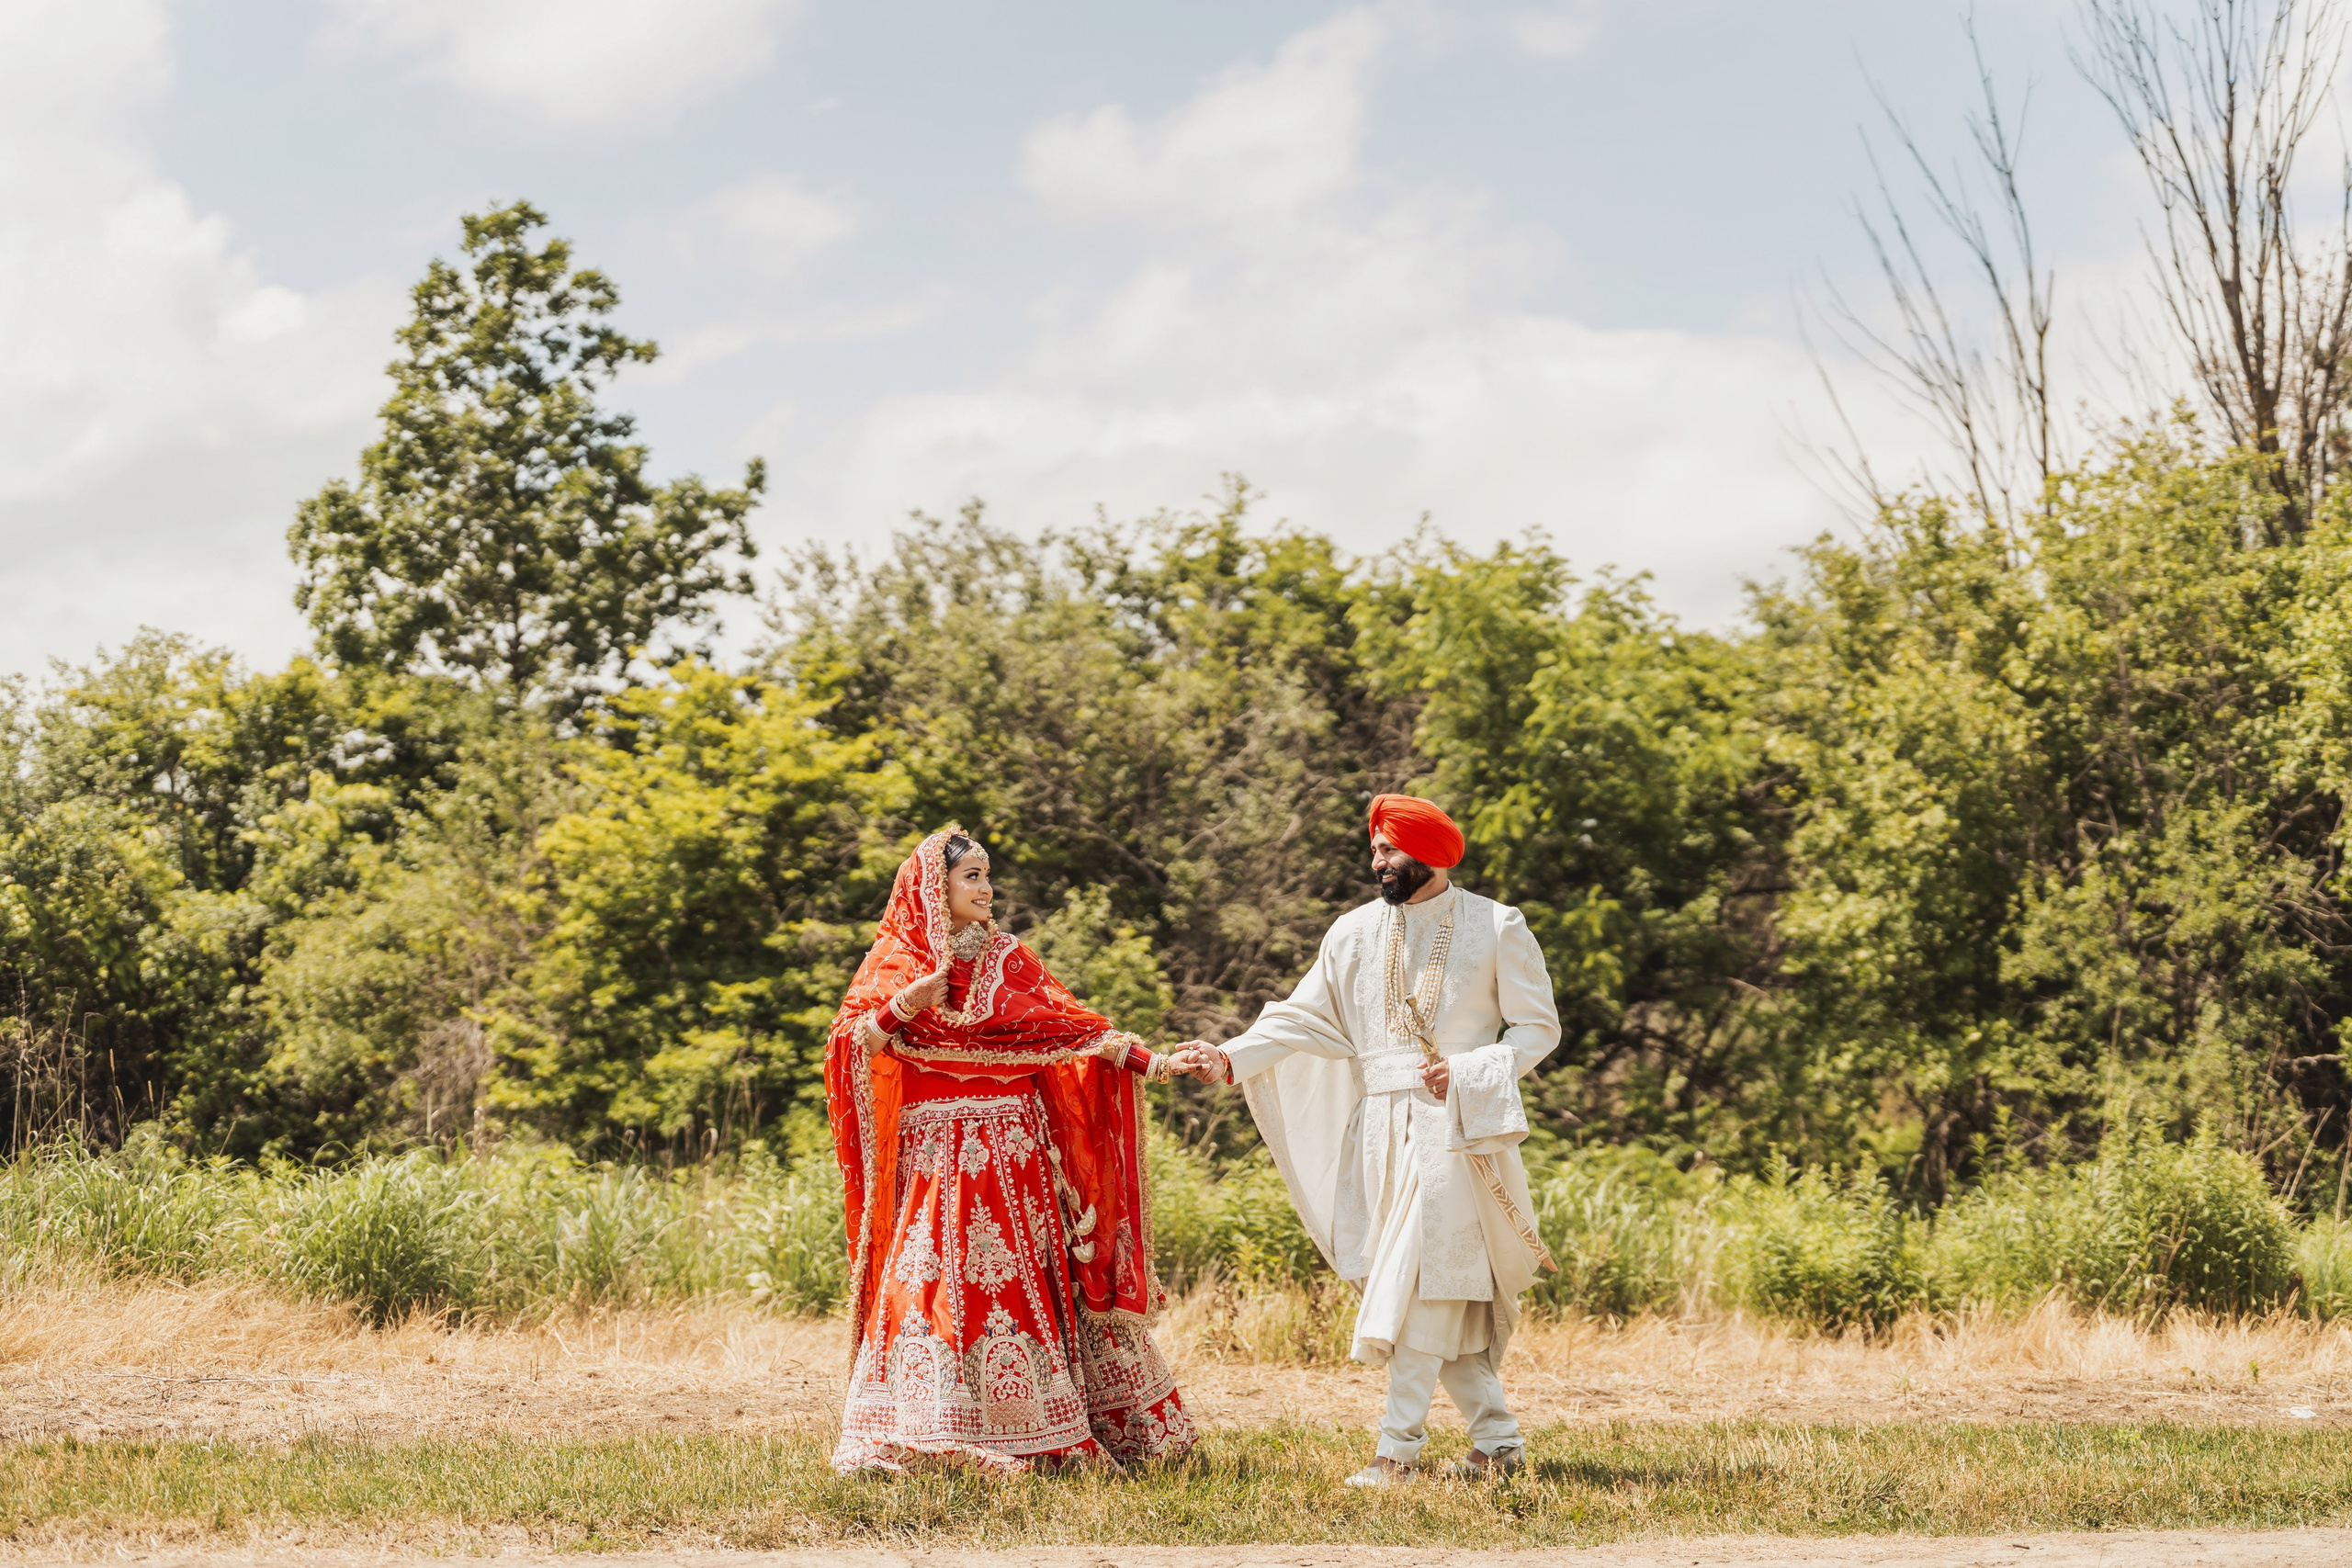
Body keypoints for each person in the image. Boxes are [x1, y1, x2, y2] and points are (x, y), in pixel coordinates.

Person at [1172, 795, 1561, 1486]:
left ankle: (1396, 1453)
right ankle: (1500, 1445)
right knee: (1426, 1289)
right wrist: (1228, 1056)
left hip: (1455, 1132)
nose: (1377, 861)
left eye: (1388, 849)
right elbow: (1300, 1020)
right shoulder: (1351, 932)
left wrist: (1472, 1069)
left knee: (1419, 1291)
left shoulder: (1497, 925)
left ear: (1430, 853)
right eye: (1375, 849)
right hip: (1378, 1133)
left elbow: (1538, 1028)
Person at [824, 825, 1202, 1474]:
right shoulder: (897, 960)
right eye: (972, 876)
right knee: (929, 1284)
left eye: (988, 876)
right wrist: (905, 1004)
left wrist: (1159, 1063)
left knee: (1020, 1287)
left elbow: (1076, 1031)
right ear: (934, 886)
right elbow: (852, 1046)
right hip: (935, 1158)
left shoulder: (1008, 959)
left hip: (1014, 1154)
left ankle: (1040, 1427)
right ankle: (926, 1426)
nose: (986, 889)